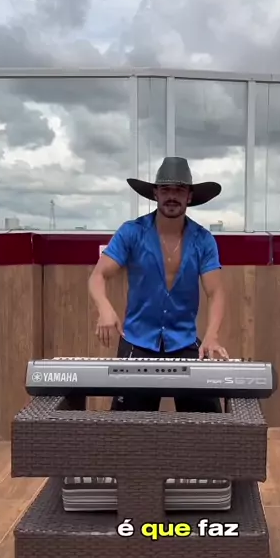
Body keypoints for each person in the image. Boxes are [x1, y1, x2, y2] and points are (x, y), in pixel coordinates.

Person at [88, 156, 229, 413]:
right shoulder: (132, 232)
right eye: (165, 190)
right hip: (137, 340)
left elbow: (216, 292)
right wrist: (104, 308)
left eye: (179, 190)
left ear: (189, 196)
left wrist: (212, 335)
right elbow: (98, 276)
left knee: (208, 423)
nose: (172, 196)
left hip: (183, 341)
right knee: (128, 428)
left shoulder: (203, 240)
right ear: (155, 193)